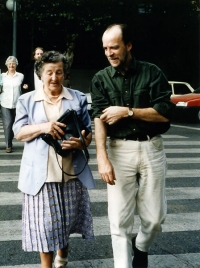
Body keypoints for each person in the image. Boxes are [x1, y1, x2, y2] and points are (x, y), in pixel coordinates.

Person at [90, 24, 175, 268]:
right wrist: (102, 157)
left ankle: (141, 246)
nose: (109, 53)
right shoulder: (101, 79)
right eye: (105, 48)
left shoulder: (152, 73)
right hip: (119, 151)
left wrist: (127, 112)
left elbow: (164, 114)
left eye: (114, 47)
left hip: (152, 148)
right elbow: (99, 119)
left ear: (128, 46)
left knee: (155, 219)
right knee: (118, 221)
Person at [13, 51, 95, 268]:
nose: (54, 77)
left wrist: (81, 143)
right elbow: (18, 132)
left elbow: (87, 133)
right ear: (40, 74)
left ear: (64, 73)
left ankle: (63, 256)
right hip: (41, 174)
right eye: (49, 72)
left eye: (59, 72)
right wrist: (44, 127)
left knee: (65, 222)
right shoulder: (27, 100)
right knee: (46, 226)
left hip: (70, 172)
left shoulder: (77, 98)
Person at [1, 56, 24, 153]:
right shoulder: (2, 76)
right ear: (6, 65)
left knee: (14, 124)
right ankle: (8, 145)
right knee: (8, 124)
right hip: (5, 103)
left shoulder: (21, 76)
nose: (11, 65)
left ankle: (10, 139)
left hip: (17, 103)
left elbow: (23, 87)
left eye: (13, 63)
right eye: (9, 63)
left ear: (16, 65)